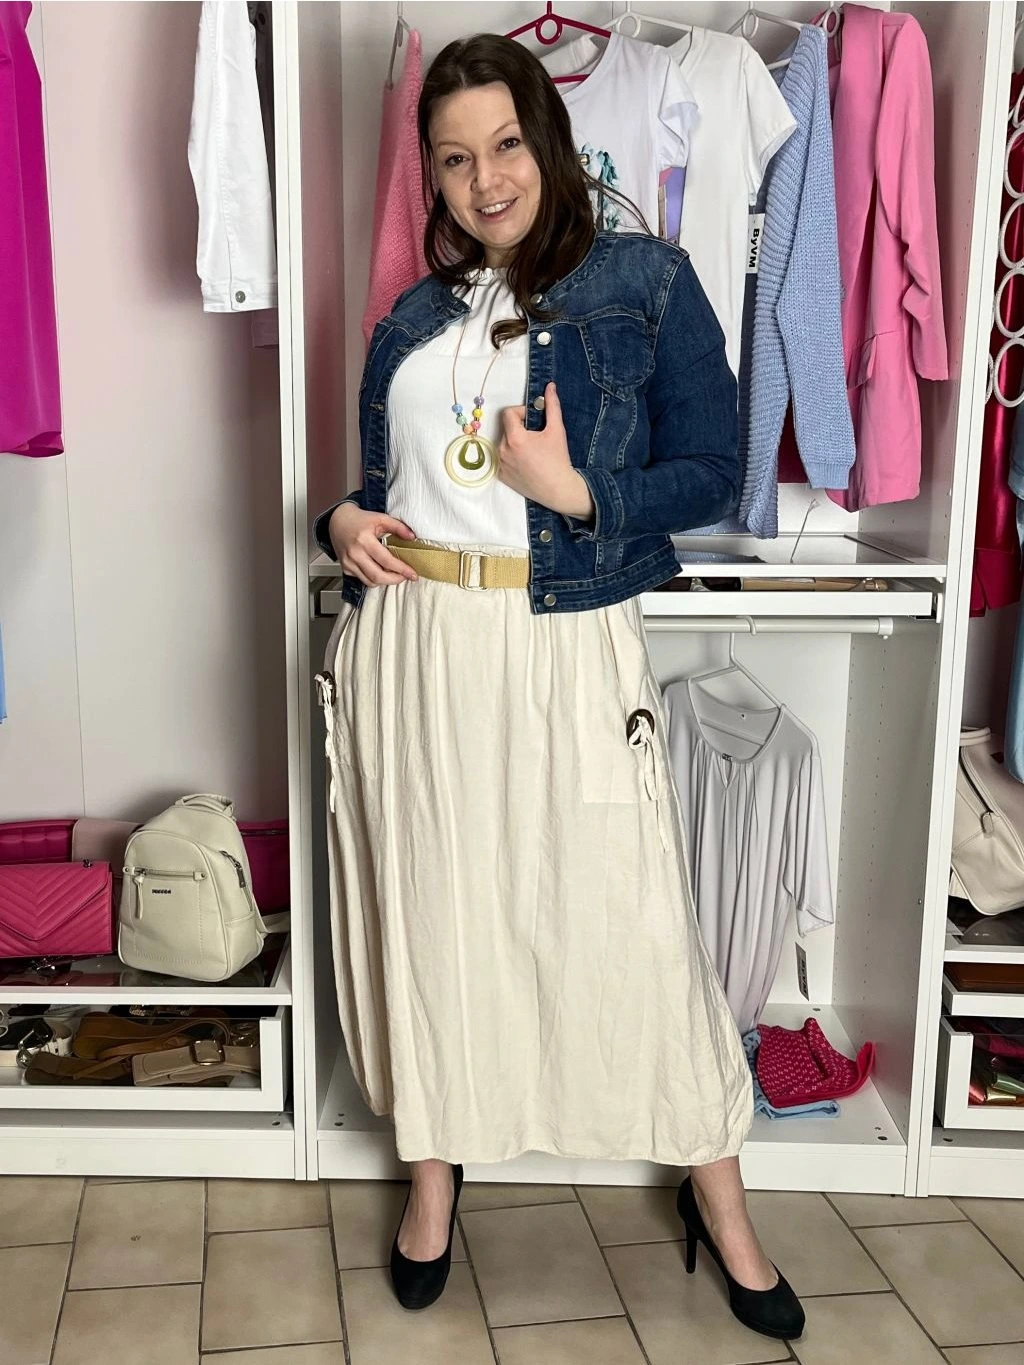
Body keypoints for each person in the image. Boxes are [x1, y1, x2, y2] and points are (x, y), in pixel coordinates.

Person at [312, 32, 804, 1343]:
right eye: (454, 159)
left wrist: (580, 492)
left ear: (551, 141)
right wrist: (339, 524)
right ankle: (435, 1178)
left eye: (506, 146)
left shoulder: (647, 281)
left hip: (563, 634)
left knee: (630, 920)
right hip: (415, 645)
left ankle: (720, 1202)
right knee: (431, 918)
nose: (485, 180)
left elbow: (714, 469)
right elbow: (386, 490)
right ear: (431, 174)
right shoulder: (410, 320)